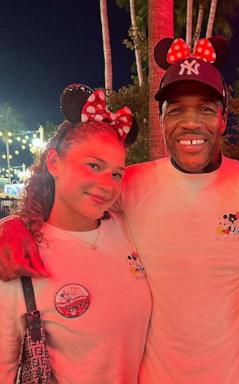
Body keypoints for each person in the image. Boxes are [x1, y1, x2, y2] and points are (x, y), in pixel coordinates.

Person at [0, 37, 239, 383]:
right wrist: (14, 224)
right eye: (176, 110)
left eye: (203, 109)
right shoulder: (130, 183)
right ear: (162, 120)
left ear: (222, 119)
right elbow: (73, 207)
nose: (190, 123)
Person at [0, 84, 151, 383]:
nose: (107, 185)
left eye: (116, 173)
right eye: (93, 165)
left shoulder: (126, 227)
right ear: (54, 163)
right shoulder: (20, 259)